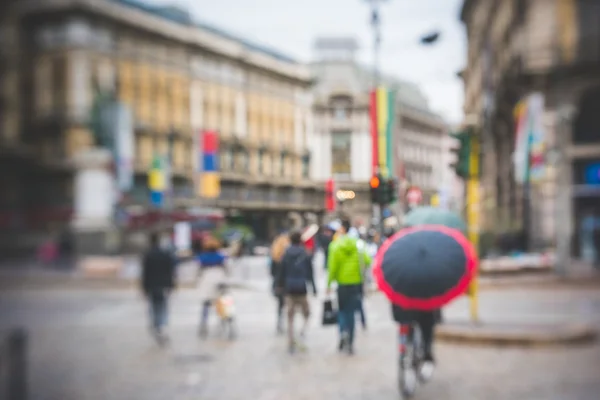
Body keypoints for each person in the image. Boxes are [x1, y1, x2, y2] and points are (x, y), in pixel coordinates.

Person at [326, 220, 371, 355]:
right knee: (352, 313)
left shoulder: (335, 246)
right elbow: (368, 261)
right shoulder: (359, 246)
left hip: (342, 284)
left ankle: (342, 333)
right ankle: (350, 342)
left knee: (342, 311)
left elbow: (332, 267)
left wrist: (328, 284)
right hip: (356, 284)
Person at [276, 231, 317, 354]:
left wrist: (279, 285)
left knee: (290, 316)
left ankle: (291, 339)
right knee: (307, 313)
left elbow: (281, 271)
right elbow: (310, 273)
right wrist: (314, 288)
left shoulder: (286, 254)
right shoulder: (305, 254)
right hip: (302, 288)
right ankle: (301, 331)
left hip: (289, 288)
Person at [141, 232, 177, 345]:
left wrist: (144, 287)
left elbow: (145, 273)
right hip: (164, 284)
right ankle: (161, 326)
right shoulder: (165, 254)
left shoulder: (148, 255)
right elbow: (171, 270)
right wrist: (172, 284)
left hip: (152, 285)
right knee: (163, 305)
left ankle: (156, 325)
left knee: (154, 305)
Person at [391, 305, 437, 380]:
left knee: (404, 326)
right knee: (427, 325)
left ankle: (403, 351)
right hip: (421, 310)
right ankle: (426, 353)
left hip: (403, 311)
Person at [196, 236, 229, 338]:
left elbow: (198, 271)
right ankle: (222, 321)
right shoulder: (221, 256)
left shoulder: (202, 257)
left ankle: (204, 323)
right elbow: (227, 269)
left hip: (206, 281)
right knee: (221, 303)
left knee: (206, 304)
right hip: (219, 280)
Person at [270, 231, 291, 334]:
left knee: (280, 304)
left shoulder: (275, 256)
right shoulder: (288, 255)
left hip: (278, 284)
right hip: (288, 283)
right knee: (289, 304)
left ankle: (279, 322)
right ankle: (289, 323)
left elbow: (272, 272)